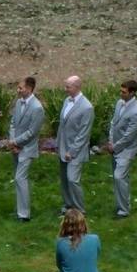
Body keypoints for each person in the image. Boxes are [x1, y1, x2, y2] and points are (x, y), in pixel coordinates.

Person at [7, 77, 44, 222]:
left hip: (27, 149)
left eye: (20, 88)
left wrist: (16, 142)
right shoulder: (18, 103)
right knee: (18, 179)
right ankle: (20, 210)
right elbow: (13, 123)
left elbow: (32, 132)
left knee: (20, 178)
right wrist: (12, 142)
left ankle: (24, 214)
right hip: (15, 147)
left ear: (29, 89)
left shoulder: (37, 108)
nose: (18, 90)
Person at [106, 79, 137, 219]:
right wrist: (110, 140)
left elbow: (129, 136)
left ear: (132, 93)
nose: (121, 94)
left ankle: (123, 210)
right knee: (121, 179)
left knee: (119, 176)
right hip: (115, 147)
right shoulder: (119, 103)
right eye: (120, 91)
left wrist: (114, 147)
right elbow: (113, 123)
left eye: (124, 92)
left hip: (126, 150)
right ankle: (122, 205)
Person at [57, 75, 94, 215]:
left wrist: (71, 151)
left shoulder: (87, 107)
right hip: (62, 147)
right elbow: (63, 125)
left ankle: (79, 210)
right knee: (65, 180)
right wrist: (58, 144)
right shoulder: (67, 101)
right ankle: (68, 206)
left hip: (76, 151)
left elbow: (83, 133)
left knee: (73, 179)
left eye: (68, 87)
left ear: (77, 87)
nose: (65, 89)